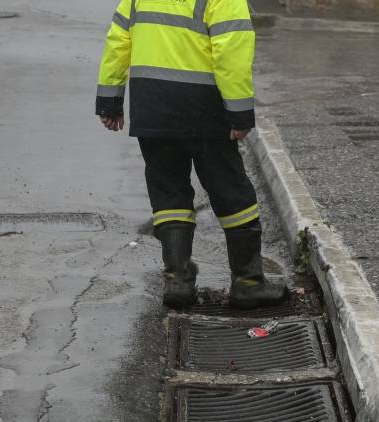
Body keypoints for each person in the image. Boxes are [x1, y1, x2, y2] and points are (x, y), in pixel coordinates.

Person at [96, 0, 285, 309]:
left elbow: (118, 41)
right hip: (204, 108)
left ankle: (178, 281)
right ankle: (248, 282)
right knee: (231, 191)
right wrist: (239, 112)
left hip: (152, 109)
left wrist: (110, 101)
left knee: (168, 192)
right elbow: (231, 50)